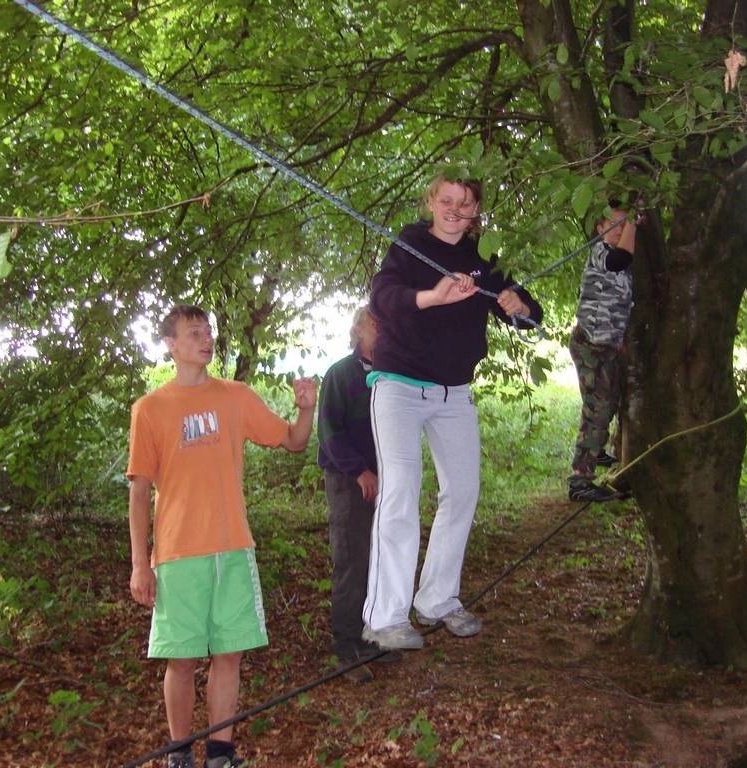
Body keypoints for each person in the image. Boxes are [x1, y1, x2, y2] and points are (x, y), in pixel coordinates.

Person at [127, 304, 317, 768]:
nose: (205, 338)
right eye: (194, 333)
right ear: (171, 345)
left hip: (232, 546)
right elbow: (139, 492)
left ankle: (220, 752)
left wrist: (307, 409)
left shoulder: (235, 396)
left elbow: (293, 441)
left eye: (208, 331)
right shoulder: (150, 409)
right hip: (177, 553)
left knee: (229, 655)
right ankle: (179, 755)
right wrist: (139, 564)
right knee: (183, 660)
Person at [362, 174, 543, 651]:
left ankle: (437, 600)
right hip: (399, 384)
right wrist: (432, 297)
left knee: (462, 491)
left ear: (477, 209)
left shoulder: (483, 256)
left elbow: (530, 313)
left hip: (454, 391)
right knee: (400, 491)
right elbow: (382, 297)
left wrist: (516, 304)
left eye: (466, 204)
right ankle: (385, 618)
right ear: (431, 202)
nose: (455, 210)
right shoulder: (409, 242)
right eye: (447, 201)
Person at [317, 305, 401, 682]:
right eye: (375, 323)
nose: (382, 330)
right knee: (351, 559)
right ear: (358, 330)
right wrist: (360, 471)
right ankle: (345, 646)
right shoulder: (339, 374)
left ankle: (369, 637)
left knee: (379, 559)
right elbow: (329, 434)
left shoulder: (391, 374)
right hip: (349, 480)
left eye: (386, 324)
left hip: (386, 480)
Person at [567, 203, 637, 503]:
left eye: (625, 225)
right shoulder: (602, 252)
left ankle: (594, 453)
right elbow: (621, 258)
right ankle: (580, 480)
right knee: (597, 408)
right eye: (615, 224)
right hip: (590, 345)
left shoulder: (619, 263)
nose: (620, 230)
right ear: (599, 228)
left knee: (607, 403)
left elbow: (616, 302)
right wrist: (635, 221)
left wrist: (618, 336)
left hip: (605, 345)